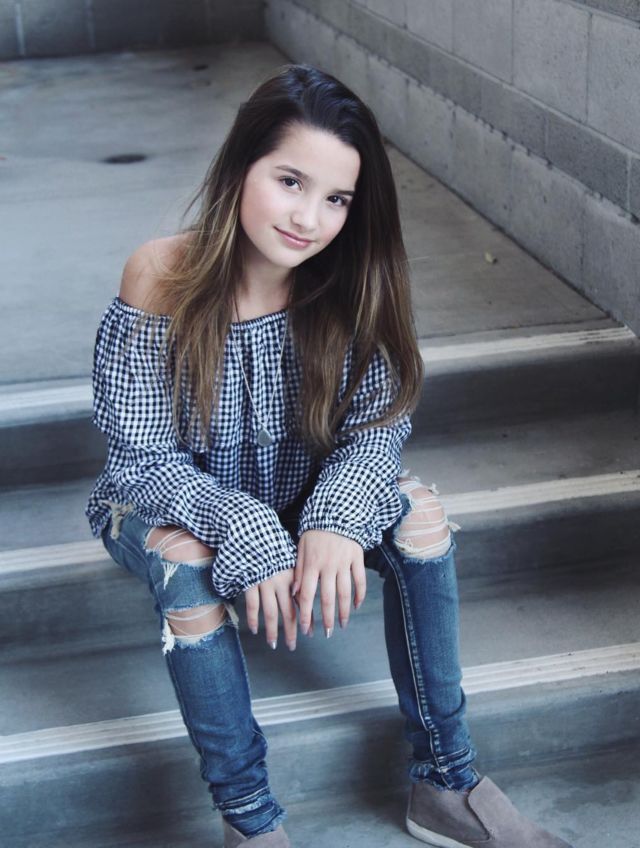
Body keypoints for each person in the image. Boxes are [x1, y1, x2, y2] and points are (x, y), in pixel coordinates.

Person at [85, 63, 572, 848]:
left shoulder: (352, 279)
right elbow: (140, 461)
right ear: (241, 166)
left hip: (300, 489)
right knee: (183, 559)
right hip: (166, 504)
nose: (309, 218)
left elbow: (375, 430)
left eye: (337, 198)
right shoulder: (163, 275)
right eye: (290, 182)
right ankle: (250, 821)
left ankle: (446, 781)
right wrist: (241, 522)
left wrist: (336, 516)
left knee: (419, 517)